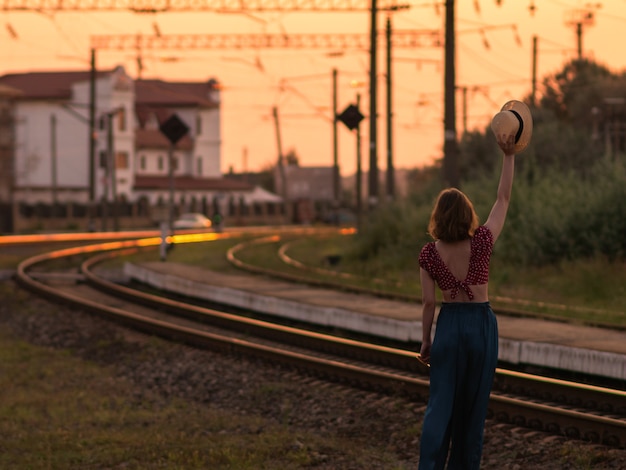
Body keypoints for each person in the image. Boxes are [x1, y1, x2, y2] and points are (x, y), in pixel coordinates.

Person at [417, 99, 531, 470]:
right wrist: (508, 155)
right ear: (467, 214)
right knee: (472, 407)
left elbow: (429, 305)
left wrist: (426, 342)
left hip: (449, 325)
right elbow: (503, 198)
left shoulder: (429, 254)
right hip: (481, 326)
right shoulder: (482, 241)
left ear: (438, 217)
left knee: (440, 406)